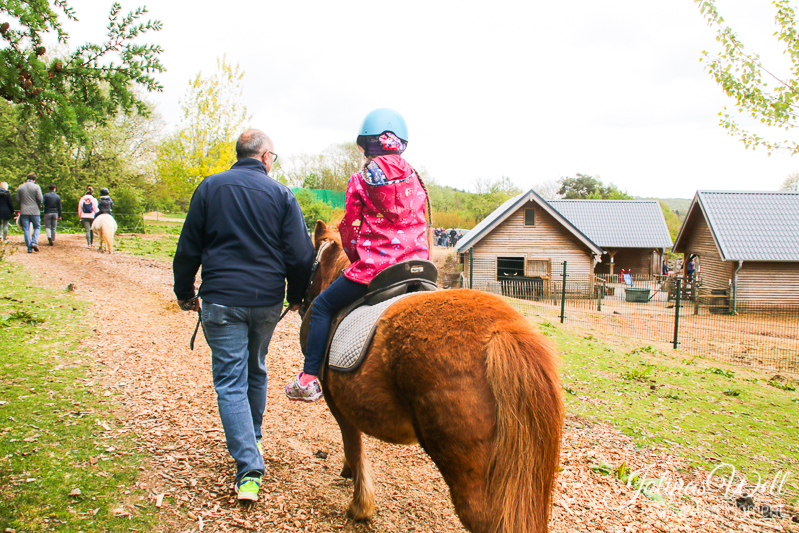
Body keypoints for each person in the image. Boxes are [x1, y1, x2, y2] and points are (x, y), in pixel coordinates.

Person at [173, 129, 314, 503]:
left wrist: (184, 292)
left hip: (221, 298)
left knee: (231, 380)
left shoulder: (210, 188)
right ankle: (253, 446)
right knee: (255, 369)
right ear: (266, 157)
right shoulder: (281, 194)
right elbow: (301, 254)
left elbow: (188, 247)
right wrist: (296, 296)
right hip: (266, 300)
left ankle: (249, 467)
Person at [285, 108, 430, 403]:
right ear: (401, 143)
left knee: (322, 306)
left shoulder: (360, 179)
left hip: (377, 270)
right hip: (418, 267)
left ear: (366, 144)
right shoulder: (416, 178)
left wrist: (355, 257)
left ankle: (309, 379)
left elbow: (349, 228)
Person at [15, 172, 43, 253]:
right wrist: (39, 205)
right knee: (37, 227)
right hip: (35, 211)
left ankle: (29, 248)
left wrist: (22, 205)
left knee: (26, 229)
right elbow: (40, 198)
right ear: (34, 179)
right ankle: (34, 242)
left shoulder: (20, 187)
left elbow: (17, 199)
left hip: (24, 211)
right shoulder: (36, 187)